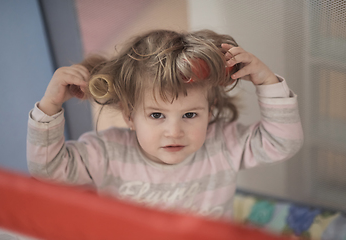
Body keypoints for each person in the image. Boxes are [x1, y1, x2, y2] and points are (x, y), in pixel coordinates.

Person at [27, 29, 303, 220]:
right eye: (156, 115)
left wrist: (268, 83)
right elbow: (48, 169)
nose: (174, 132)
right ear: (129, 116)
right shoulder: (107, 152)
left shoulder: (223, 145)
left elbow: (283, 142)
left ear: (211, 110)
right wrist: (50, 107)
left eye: (190, 115)